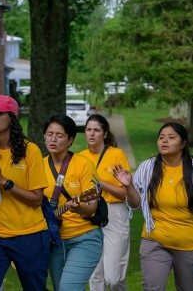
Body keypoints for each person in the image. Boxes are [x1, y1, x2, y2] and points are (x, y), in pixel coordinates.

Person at [0, 95, 49, 291]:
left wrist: (5, 182)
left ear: (12, 118)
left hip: (29, 235)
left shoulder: (30, 151)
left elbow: (37, 200)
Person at [115, 122, 193, 291]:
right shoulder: (148, 167)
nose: (164, 141)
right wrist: (128, 186)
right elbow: (135, 204)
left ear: (182, 144)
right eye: (161, 137)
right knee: (153, 288)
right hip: (155, 241)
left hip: (191, 246)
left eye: (171, 137)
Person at [43, 115, 103, 291]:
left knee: (67, 288)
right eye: (49, 133)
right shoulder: (38, 165)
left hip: (84, 237)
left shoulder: (83, 165)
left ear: (70, 140)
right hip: (54, 239)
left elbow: (92, 206)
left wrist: (78, 207)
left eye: (59, 135)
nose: (53, 139)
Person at [77, 114, 130, 291]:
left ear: (105, 134)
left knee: (113, 278)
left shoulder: (116, 154)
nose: (91, 134)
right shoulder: (80, 157)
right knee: (95, 276)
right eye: (88, 129)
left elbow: (124, 193)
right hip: (90, 214)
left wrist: (101, 184)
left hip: (114, 213)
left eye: (97, 130)